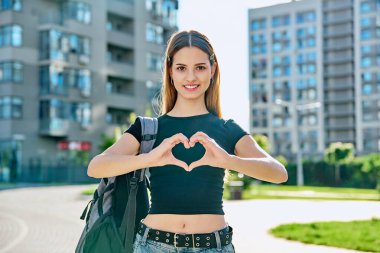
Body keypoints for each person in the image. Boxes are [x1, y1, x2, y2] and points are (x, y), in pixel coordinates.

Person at [87, 30, 288, 253]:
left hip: (213, 247)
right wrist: (149, 158)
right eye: (181, 68)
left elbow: (278, 173)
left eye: (200, 67)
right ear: (170, 72)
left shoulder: (226, 129)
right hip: (153, 245)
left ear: (212, 70)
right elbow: (96, 167)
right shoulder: (148, 128)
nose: (191, 77)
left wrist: (228, 160)